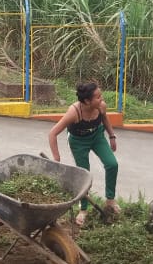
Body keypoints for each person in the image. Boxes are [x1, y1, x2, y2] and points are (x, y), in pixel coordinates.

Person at [48, 81, 120, 226]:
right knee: (84, 174)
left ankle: (110, 201)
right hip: (78, 142)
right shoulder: (74, 112)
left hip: (97, 137)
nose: (102, 99)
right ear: (87, 101)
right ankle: (83, 209)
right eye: (98, 97)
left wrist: (112, 136)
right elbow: (52, 133)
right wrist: (56, 157)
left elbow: (105, 119)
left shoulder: (101, 106)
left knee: (112, 164)